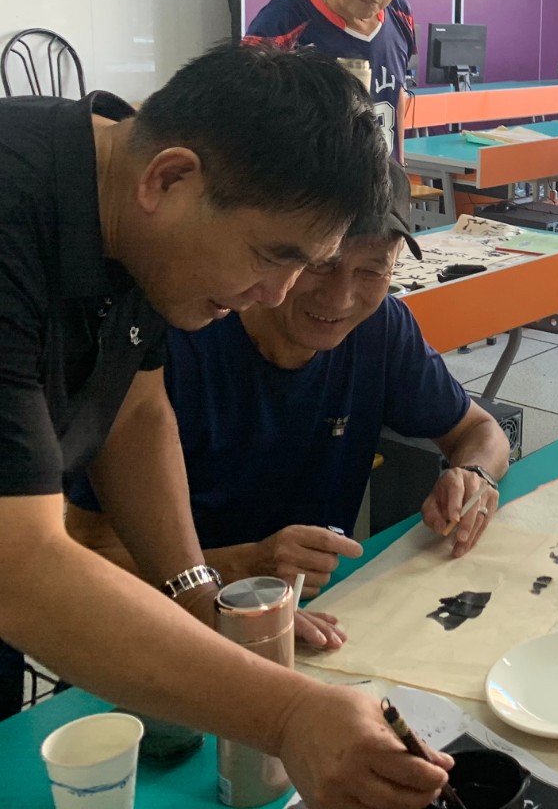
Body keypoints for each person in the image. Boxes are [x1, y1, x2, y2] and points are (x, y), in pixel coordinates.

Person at [0, 43, 453, 804]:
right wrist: (288, 715)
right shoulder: (16, 212)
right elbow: (19, 566)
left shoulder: (128, 207)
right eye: (273, 257)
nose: (276, 295)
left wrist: (198, 594)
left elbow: (135, 411)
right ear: (169, 178)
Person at [64, 163, 511, 650]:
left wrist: (475, 475)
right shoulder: (178, 340)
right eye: (321, 264)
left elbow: (481, 431)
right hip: (159, 631)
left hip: (312, 619)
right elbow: (85, 550)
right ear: (279, 250)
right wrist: (242, 566)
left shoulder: (381, 329)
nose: (340, 298)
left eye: (371, 270)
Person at [245, 0, 418, 156]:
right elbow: (245, 122)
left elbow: (396, 94)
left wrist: (400, 167)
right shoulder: (280, 24)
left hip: (379, 178)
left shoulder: (400, 13)